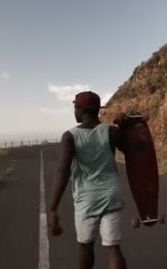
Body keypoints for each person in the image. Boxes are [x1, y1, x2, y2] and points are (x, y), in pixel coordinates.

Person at [48, 91, 127, 269]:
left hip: (86, 200)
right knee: (113, 248)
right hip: (111, 196)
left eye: (75, 107)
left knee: (86, 245)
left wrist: (53, 208)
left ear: (81, 110)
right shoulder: (112, 132)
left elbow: (62, 171)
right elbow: (132, 150)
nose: (74, 111)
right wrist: (125, 128)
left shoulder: (70, 136)